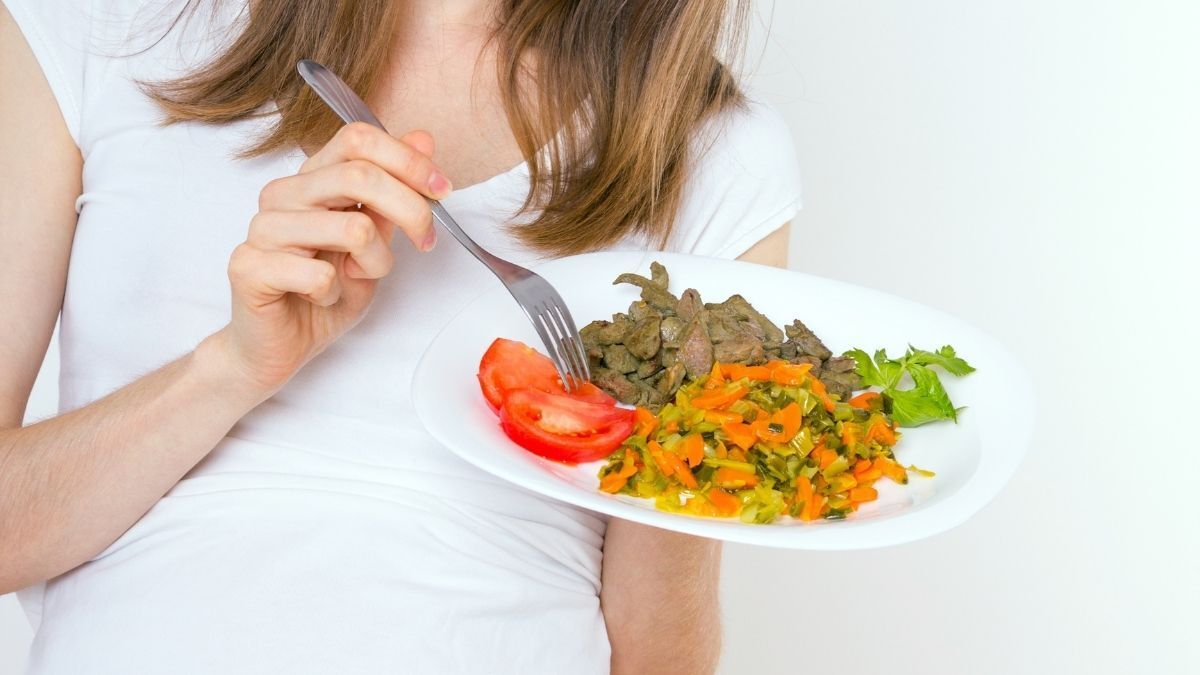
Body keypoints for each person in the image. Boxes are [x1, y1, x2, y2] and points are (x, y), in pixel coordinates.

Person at [0, 0, 800, 672]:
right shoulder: (94, 28)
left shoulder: (715, 153)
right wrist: (232, 370)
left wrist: (681, 442)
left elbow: (655, 661)